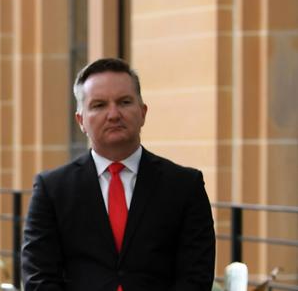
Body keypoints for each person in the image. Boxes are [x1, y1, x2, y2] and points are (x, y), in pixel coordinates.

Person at [21, 58, 215, 291]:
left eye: (124, 102)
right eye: (99, 105)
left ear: (143, 112)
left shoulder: (185, 186)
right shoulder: (52, 189)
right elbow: (38, 277)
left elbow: (196, 276)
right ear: (81, 120)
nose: (113, 114)